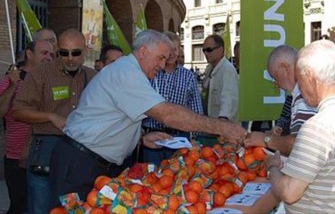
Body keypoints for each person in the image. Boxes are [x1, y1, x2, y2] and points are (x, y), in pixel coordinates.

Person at [49, 29, 246, 206]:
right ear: (143, 52)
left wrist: (141, 138)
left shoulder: (132, 72)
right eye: (160, 58)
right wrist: (222, 127)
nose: (162, 65)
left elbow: (116, 118)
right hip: (79, 164)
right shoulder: (126, 73)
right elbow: (167, 114)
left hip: (93, 164)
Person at [12, 29, 96, 214]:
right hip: (46, 151)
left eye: (76, 53)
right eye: (64, 53)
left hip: (80, 154)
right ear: (57, 50)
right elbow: (18, 111)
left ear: (85, 51)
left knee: (74, 209)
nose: (70, 58)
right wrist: (51, 116)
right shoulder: (41, 73)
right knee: (41, 208)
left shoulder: (93, 76)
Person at [265, 39, 335, 213]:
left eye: (300, 77)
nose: (299, 87)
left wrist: (272, 167)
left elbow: (289, 192)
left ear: (309, 76)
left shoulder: (317, 127)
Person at [0, 39, 54, 214]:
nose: (48, 57)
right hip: (16, 158)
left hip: (44, 156)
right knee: (20, 207)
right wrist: (12, 86)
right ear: (29, 54)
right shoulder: (12, 79)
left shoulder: (51, 80)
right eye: (44, 53)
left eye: (51, 54)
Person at [141, 31, 203, 165]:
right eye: (168, 50)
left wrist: (195, 137)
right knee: (151, 178)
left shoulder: (188, 76)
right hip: (152, 139)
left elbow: (196, 108)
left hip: (179, 138)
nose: (172, 53)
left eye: (175, 49)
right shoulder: (150, 73)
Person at [244, 45, 317, 156]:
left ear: (284, 68)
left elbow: (301, 146)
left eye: (275, 76)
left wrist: (265, 139)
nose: (275, 83)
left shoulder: (304, 95)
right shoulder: (303, 91)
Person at [201, 34, 239, 121]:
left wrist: (223, 120)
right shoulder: (209, 69)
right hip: (209, 124)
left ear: (221, 49)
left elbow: (229, 99)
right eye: (204, 50)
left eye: (209, 50)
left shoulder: (227, 69)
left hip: (221, 128)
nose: (206, 53)